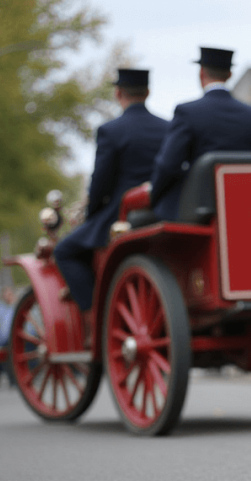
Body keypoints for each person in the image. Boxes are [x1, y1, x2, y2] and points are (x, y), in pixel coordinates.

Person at [55, 68, 169, 318]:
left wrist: (91, 214)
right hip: (162, 212)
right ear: (147, 92)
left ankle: (92, 315)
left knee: (63, 250)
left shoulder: (111, 130)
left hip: (120, 216)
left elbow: (100, 183)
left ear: (118, 93)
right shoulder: (167, 128)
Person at [149, 47, 251, 221]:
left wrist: (153, 196)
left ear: (201, 74)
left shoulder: (187, 112)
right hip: (244, 206)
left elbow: (168, 165)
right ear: (229, 74)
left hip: (198, 210)